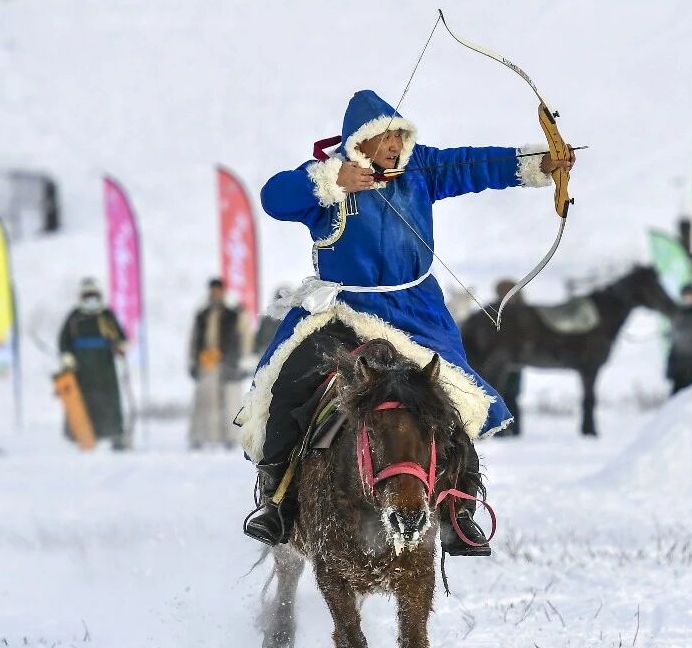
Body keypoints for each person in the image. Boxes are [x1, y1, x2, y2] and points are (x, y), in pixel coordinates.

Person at [236, 89, 574, 551]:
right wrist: (331, 179)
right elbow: (273, 197)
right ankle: (277, 502)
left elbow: (471, 165)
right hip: (345, 309)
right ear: (361, 140)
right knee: (290, 382)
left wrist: (540, 163)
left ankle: (459, 508)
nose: (396, 145)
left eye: (400, 136)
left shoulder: (420, 169)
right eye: (387, 137)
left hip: (415, 312)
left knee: (453, 394)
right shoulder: (333, 179)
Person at [59, 278, 129, 449]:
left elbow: (120, 337)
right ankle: (80, 435)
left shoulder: (106, 316)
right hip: (81, 369)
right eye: (87, 296)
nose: (91, 299)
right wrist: (67, 357)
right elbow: (64, 340)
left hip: (105, 367)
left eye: (94, 295)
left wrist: (120, 346)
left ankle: (115, 435)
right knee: (82, 401)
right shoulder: (74, 317)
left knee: (109, 401)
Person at [189, 278, 244, 449]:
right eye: (213, 291)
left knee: (228, 401)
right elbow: (194, 339)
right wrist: (193, 360)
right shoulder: (202, 314)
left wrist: (237, 361)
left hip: (226, 361)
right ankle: (201, 437)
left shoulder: (232, 314)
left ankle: (229, 437)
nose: (215, 294)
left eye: (218, 291)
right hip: (206, 362)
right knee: (205, 400)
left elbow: (240, 338)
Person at [492, 278, 523, 437]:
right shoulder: (495, 311)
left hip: (514, 361)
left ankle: (515, 429)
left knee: (511, 395)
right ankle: (501, 429)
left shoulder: (521, 314)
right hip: (497, 362)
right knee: (499, 394)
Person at [666, 284, 692, 394]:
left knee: (690, 396)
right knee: (675, 397)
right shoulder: (680, 311)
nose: (686, 299)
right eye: (684, 296)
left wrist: (677, 332)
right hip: (678, 365)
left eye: (688, 296)